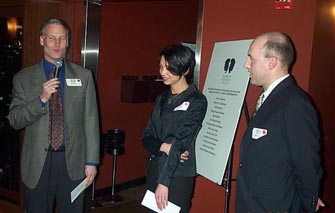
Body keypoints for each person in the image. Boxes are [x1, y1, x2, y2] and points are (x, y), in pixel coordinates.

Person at [7, 18, 99, 212]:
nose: (57, 44)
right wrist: (41, 99)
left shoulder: (84, 76)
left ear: (67, 42)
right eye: (51, 38)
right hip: (37, 164)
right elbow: (15, 120)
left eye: (62, 38)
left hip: (72, 162)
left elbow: (91, 121)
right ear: (42, 40)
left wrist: (91, 161)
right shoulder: (24, 78)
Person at [235, 31, 324, 212]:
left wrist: (308, 202)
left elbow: (307, 163)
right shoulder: (270, 97)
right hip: (254, 203)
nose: (246, 64)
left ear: (272, 62)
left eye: (251, 59)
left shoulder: (295, 103)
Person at [141, 44, 207, 212]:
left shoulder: (197, 101)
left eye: (169, 68)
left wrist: (164, 182)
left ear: (185, 70)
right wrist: (164, 146)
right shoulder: (161, 98)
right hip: (154, 168)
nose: (163, 72)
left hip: (177, 174)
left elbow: (182, 143)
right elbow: (146, 137)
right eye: (162, 66)